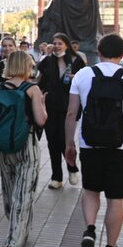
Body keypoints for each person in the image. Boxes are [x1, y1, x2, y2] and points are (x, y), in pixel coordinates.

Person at [65, 33, 123, 247]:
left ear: (98, 52)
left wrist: (69, 144)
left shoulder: (83, 74)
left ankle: (90, 229)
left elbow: (71, 113)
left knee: (91, 190)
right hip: (121, 145)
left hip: (89, 143)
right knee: (115, 198)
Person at [0, 51, 48, 247]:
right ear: (26, 66)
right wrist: (42, 104)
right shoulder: (32, 89)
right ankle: (15, 242)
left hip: (4, 147)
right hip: (27, 145)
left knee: (9, 191)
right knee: (24, 193)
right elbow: (41, 120)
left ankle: (18, 229)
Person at [37, 33, 85, 189]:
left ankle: (72, 167)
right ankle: (56, 177)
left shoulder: (76, 61)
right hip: (50, 106)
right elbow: (40, 81)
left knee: (65, 140)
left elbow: (85, 82)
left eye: (60, 43)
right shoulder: (46, 61)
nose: (57, 46)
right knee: (52, 141)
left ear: (66, 45)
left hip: (68, 106)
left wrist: (75, 78)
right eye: (55, 43)